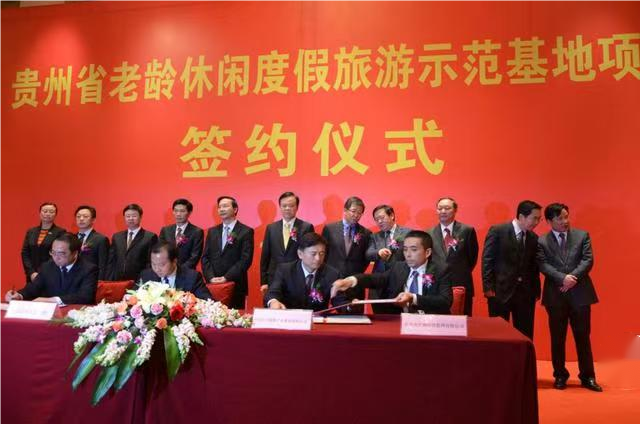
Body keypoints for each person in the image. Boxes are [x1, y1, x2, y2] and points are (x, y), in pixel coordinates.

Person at [537, 203, 602, 392]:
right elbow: (542, 264)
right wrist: (562, 278)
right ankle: (560, 375)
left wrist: (572, 278)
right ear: (549, 221)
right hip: (555, 296)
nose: (565, 221)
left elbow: (587, 260)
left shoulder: (582, 235)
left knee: (583, 337)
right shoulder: (541, 241)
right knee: (557, 338)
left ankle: (588, 376)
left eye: (566, 217)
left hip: (580, 294)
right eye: (560, 218)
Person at [332, 230, 452, 314]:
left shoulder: (441, 270)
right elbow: (375, 279)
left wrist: (413, 298)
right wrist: (351, 280)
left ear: (427, 252)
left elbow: (445, 301)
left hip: (431, 323)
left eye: (414, 250)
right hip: (401, 323)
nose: (408, 254)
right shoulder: (399, 267)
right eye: (405, 250)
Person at [482, 200, 542, 339]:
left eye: (539, 219)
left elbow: (534, 267)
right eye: (534, 218)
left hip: (526, 295)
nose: (537, 222)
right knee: (498, 335)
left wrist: (536, 290)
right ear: (521, 216)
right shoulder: (498, 231)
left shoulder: (534, 238)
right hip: (499, 292)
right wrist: (488, 287)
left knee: (525, 336)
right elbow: (487, 260)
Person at [6, 232, 98, 305]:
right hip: (50, 314)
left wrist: (54, 300)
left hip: (76, 314)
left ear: (75, 254)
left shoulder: (89, 269)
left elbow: (85, 296)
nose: (56, 257)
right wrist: (19, 295)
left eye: (61, 253)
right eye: (53, 252)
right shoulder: (47, 266)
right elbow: (34, 287)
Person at [265, 232, 348, 311]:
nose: (318, 258)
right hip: (290, 318)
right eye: (313, 254)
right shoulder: (285, 270)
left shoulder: (332, 274)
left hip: (317, 319)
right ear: (300, 254)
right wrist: (273, 301)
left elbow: (340, 303)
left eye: (321, 253)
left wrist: (350, 307)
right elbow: (273, 292)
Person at [427, 197, 479, 316]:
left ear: (455, 210)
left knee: (463, 321)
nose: (443, 211)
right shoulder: (429, 233)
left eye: (447, 208)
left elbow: (472, 258)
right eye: (440, 208)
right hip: (437, 286)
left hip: (461, 284)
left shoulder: (467, 231)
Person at [202, 196, 254, 309]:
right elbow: (205, 257)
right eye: (219, 207)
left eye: (225, 206)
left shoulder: (245, 231)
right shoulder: (212, 231)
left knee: (235, 318)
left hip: (236, 284)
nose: (221, 209)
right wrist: (210, 277)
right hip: (213, 285)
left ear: (235, 209)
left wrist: (226, 277)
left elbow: (245, 259)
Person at [322, 196, 372, 311]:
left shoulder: (366, 233)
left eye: (359, 213)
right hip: (332, 281)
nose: (356, 215)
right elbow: (323, 253)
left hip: (354, 283)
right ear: (345, 210)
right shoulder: (330, 229)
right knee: (327, 315)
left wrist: (355, 272)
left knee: (354, 315)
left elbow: (366, 259)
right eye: (353, 211)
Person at [260, 192, 314, 296]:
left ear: (297, 207)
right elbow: (265, 256)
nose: (287, 208)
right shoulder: (271, 228)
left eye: (291, 205)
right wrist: (264, 281)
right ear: (280, 207)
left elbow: (309, 254)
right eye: (284, 206)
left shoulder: (306, 227)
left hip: (297, 277)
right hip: (274, 278)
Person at [365, 204, 411, 312]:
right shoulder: (375, 236)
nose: (379, 221)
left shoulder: (407, 233)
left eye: (382, 217)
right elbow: (368, 254)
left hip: (399, 284)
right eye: (376, 219)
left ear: (392, 216)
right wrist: (378, 252)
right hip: (379, 287)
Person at [139, 241, 211, 300]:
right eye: (154, 264)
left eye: (162, 265)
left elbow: (207, 301)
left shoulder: (192, 277)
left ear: (174, 261)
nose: (157, 269)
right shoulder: (146, 276)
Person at [107, 204, 158, 281]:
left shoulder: (150, 237)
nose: (131, 218)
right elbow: (111, 261)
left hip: (139, 280)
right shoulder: (117, 237)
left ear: (140, 217)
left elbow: (150, 262)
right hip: (118, 280)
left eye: (134, 216)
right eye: (128, 216)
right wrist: (109, 279)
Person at [20, 202, 66, 283]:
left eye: (51, 212)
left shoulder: (60, 232)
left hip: (51, 274)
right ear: (40, 213)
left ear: (55, 214)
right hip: (32, 276)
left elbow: (58, 254)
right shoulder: (31, 231)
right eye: (45, 211)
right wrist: (31, 272)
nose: (48, 214)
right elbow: (25, 253)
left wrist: (42, 272)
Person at [158, 198, 204, 269]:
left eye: (182, 211)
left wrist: (180, 270)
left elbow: (195, 256)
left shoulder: (197, 232)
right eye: (176, 211)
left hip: (187, 271)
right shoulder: (165, 230)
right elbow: (160, 251)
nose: (178, 214)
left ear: (189, 212)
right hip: (167, 270)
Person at [75, 205, 110, 280]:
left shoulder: (101, 239)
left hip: (91, 279)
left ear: (93, 220)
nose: (81, 219)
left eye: (85, 216)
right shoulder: (71, 238)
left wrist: (100, 281)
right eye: (78, 216)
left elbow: (103, 265)